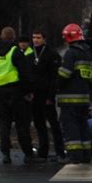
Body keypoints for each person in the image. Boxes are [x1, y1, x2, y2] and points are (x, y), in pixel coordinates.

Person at [0, 27, 34, 164]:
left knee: (4, 125)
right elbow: (24, 73)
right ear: (13, 38)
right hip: (15, 91)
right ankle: (28, 154)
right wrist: (28, 91)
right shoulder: (15, 51)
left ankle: (6, 154)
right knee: (22, 124)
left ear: (1, 36)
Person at [26, 30, 66, 163]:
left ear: (44, 39)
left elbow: (54, 78)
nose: (35, 40)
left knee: (54, 124)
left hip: (47, 95)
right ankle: (43, 152)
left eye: (38, 37)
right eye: (33, 37)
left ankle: (60, 151)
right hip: (35, 95)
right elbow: (29, 75)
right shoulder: (31, 55)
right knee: (39, 124)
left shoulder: (52, 55)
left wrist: (51, 95)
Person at [56, 23, 92, 164]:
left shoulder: (71, 53)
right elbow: (90, 78)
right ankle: (86, 155)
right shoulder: (87, 53)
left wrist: (56, 84)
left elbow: (64, 74)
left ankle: (75, 156)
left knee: (70, 127)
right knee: (83, 126)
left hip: (69, 99)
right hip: (84, 98)